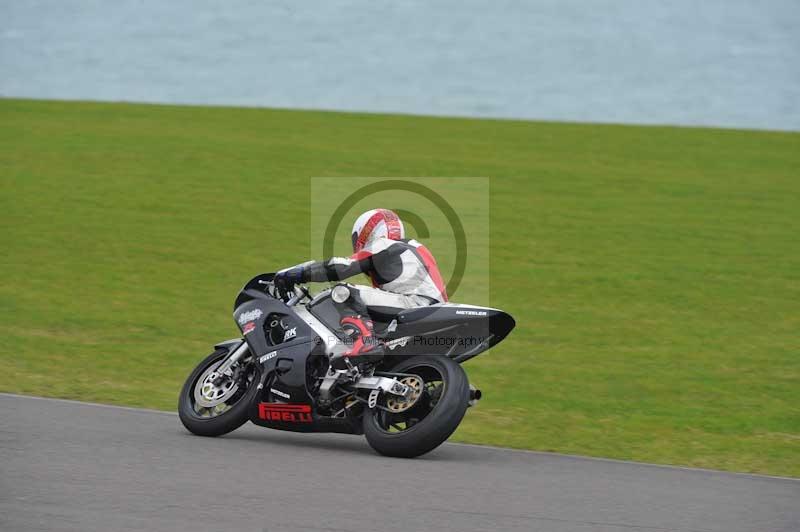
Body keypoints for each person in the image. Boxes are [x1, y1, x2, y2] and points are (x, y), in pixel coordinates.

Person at [274, 208, 448, 370]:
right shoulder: (414, 248)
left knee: (343, 292)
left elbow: (341, 267)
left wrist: (299, 273)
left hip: (414, 303)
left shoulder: (385, 244)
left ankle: (365, 343)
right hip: (433, 309)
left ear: (368, 231)